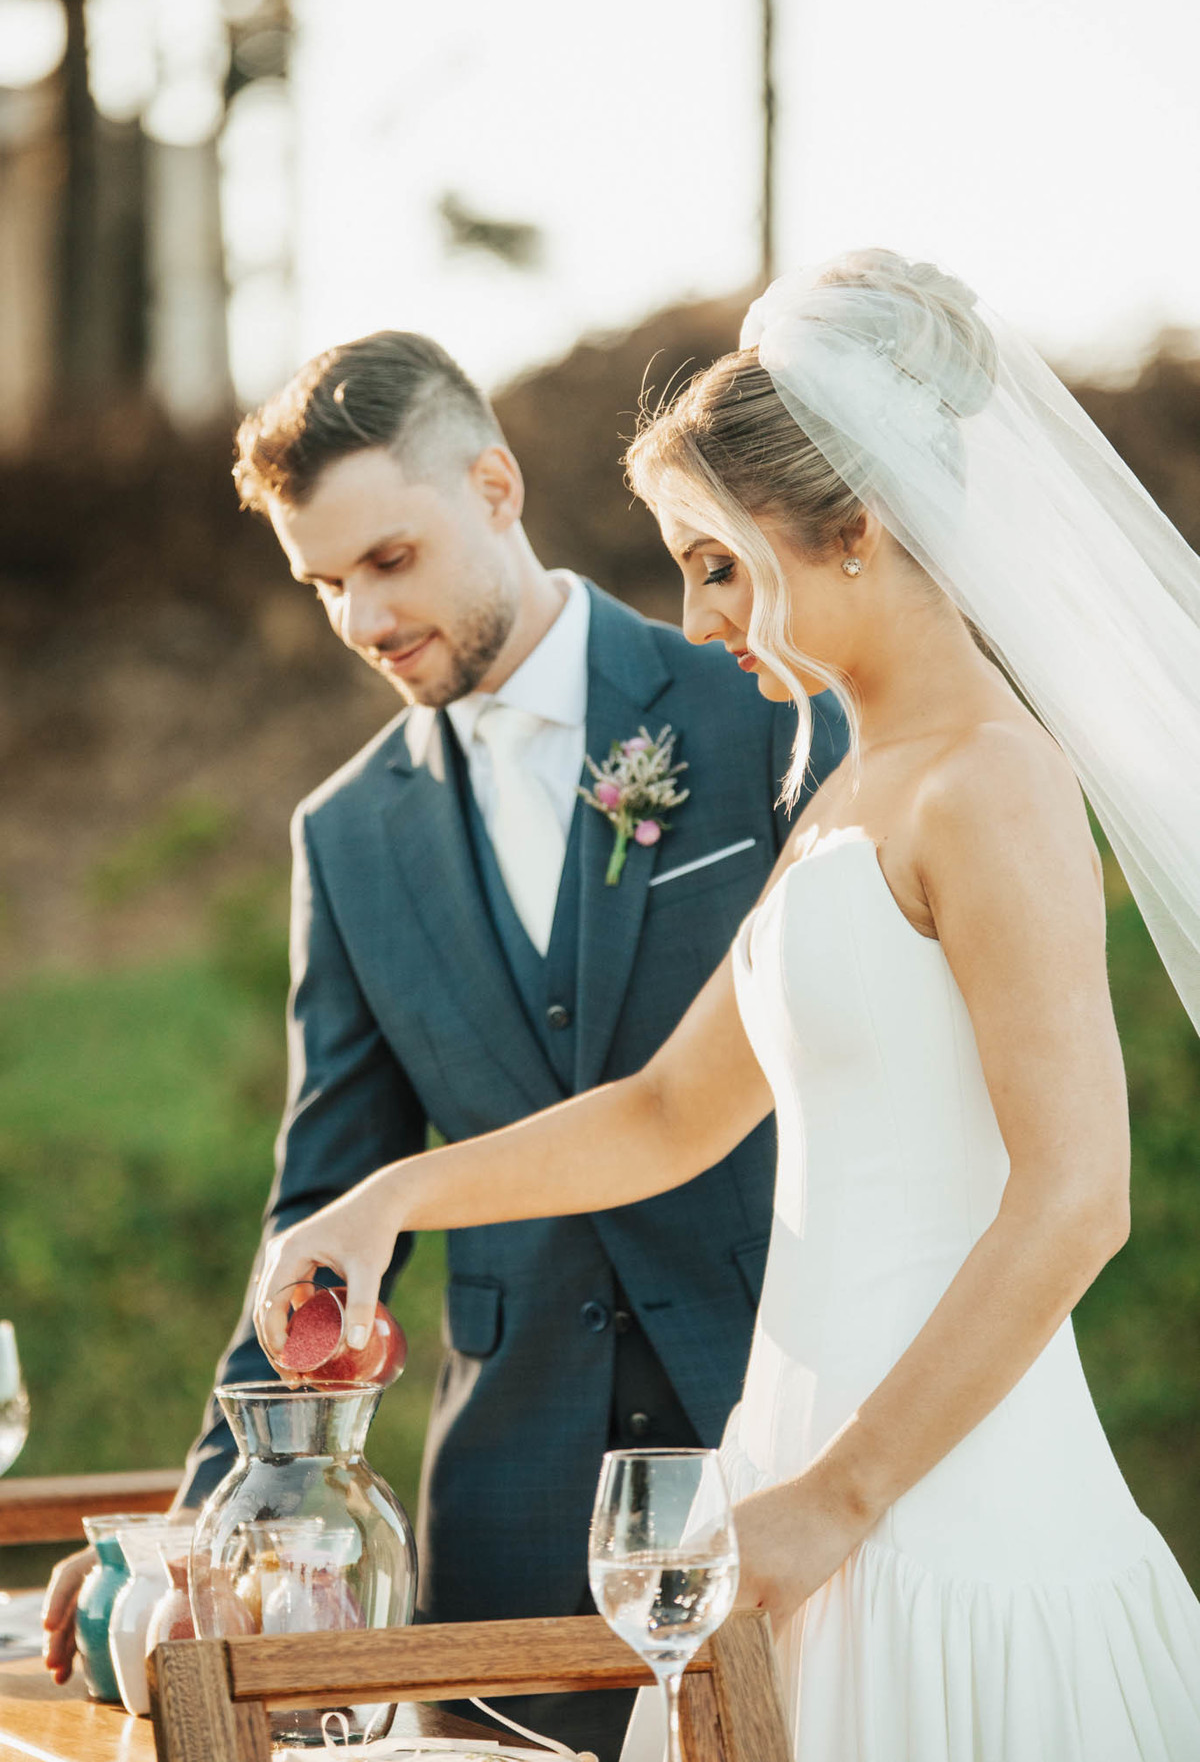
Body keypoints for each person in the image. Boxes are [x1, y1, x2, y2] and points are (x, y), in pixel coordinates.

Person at [253, 253, 1200, 1760]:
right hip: (781, 1482)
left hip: (941, 1497)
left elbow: (1078, 1197)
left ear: (853, 531)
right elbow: (669, 1114)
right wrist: (386, 1200)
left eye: (716, 564)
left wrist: (842, 1497)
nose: (696, 621)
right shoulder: (848, 788)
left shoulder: (993, 784)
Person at [41, 330, 846, 1760]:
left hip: (785, 1441)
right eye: (324, 584)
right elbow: (322, 1210)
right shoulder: (346, 837)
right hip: (510, 1530)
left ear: (496, 486)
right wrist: (200, 1530)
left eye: (390, 560)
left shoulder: (756, 703)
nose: (360, 617)